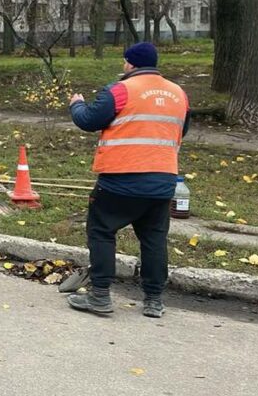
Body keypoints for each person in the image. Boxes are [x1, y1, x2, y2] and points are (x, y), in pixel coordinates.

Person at [66, 42, 189, 318]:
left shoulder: (121, 90)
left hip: (120, 179)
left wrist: (77, 104)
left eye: (125, 61)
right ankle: (154, 300)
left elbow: (89, 120)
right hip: (163, 180)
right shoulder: (179, 94)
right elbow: (182, 129)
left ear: (130, 63)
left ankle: (99, 296)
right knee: (154, 239)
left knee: (101, 231)